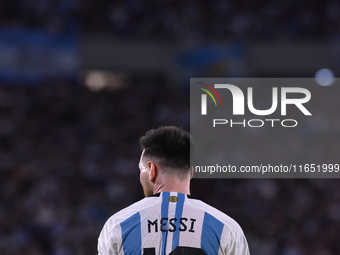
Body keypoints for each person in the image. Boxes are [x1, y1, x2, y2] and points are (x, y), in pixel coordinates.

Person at [97, 126, 250, 255]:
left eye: (141, 169)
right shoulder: (227, 227)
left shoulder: (118, 224)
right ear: (191, 172)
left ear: (151, 169)